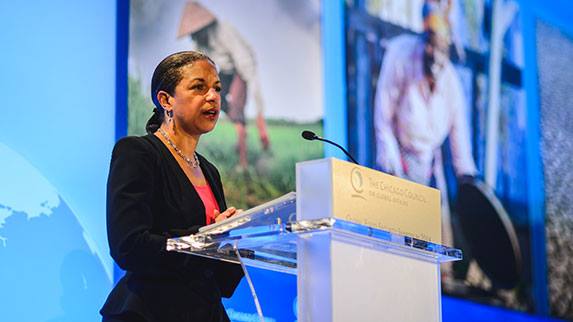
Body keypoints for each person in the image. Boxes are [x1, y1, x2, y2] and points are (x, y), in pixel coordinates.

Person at [100, 51, 244, 322]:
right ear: (166, 100)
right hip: (149, 311)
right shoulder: (138, 152)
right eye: (199, 87)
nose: (213, 96)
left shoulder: (210, 171)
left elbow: (222, 281)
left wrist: (237, 238)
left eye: (216, 88)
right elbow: (129, 246)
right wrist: (208, 236)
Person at [373, 3, 477, 250]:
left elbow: (460, 146)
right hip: (398, 160)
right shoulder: (401, 55)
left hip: (430, 170)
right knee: (397, 244)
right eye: (430, 43)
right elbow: (383, 119)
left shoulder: (452, 85)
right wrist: (392, 175)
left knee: (437, 251)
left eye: (440, 47)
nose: (433, 50)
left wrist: (469, 182)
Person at [177, 1, 270, 170]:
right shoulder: (201, 42)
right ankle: (239, 132)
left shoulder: (224, 32)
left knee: (235, 105)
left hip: (241, 69)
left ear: (203, 27)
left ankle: (243, 161)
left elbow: (247, 66)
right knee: (214, 101)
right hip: (224, 72)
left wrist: (260, 116)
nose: (194, 38)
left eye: (196, 33)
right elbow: (197, 68)